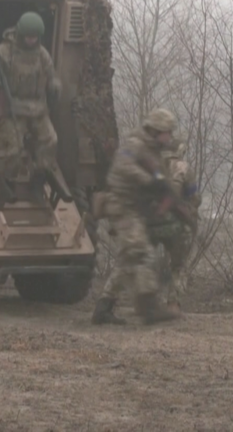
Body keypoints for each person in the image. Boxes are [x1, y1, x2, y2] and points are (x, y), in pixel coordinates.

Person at [91, 108, 185, 325]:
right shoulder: (135, 144)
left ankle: (103, 308)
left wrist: (165, 196)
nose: (170, 137)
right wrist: (150, 181)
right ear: (156, 130)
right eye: (167, 132)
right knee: (142, 252)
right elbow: (125, 167)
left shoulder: (153, 152)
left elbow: (161, 180)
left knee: (128, 258)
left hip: (134, 209)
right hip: (122, 207)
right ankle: (148, 309)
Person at [0, 12, 62, 202]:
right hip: (12, 109)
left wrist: (55, 85)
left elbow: (52, 75)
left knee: (50, 141)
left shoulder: (42, 55)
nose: (32, 40)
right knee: (15, 148)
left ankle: (38, 181)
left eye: (35, 37)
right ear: (21, 34)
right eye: (28, 36)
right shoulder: (3, 52)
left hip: (38, 109)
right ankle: (8, 182)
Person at [152, 138, 201, 317]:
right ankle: (173, 304)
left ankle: (146, 302)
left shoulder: (152, 167)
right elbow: (194, 198)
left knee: (143, 261)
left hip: (153, 222)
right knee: (179, 266)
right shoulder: (184, 168)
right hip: (178, 224)